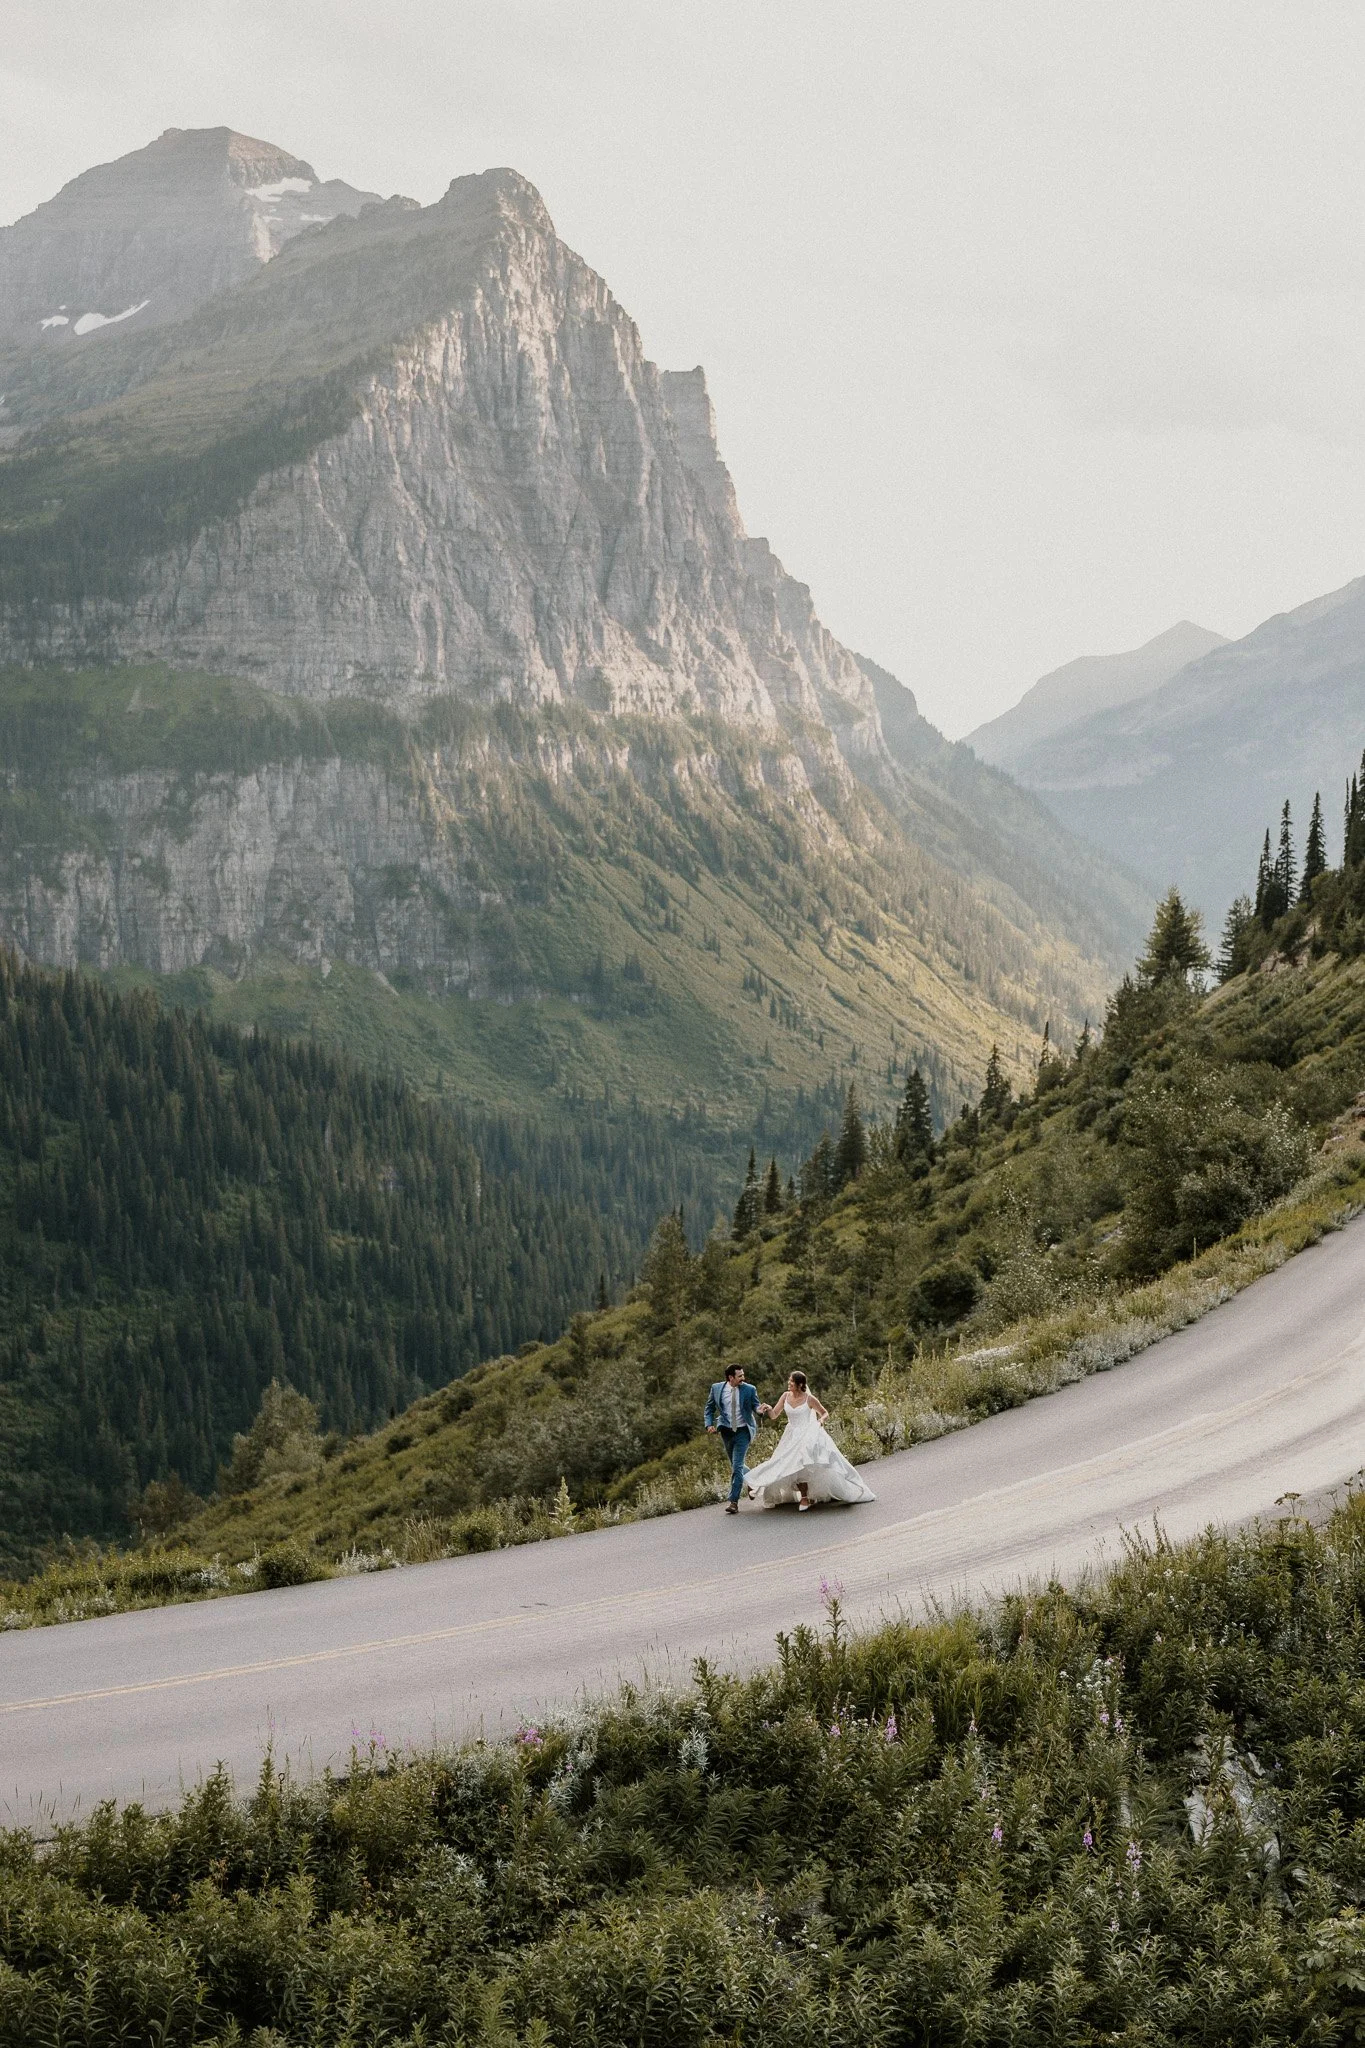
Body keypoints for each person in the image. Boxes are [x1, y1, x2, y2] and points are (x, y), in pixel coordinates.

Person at [744, 1371, 876, 1512]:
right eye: (789, 1381)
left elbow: (824, 1412)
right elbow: (774, 1415)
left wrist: (821, 1420)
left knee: (801, 1464)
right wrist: (769, 1409)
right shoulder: (785, 1396)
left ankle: (805, 1498)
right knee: (780, 1462)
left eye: (791, 1381)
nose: (789, 1383)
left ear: (800, 1384)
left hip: (807, 1434)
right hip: (791, 1436)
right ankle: (755, 1483)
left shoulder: (809, 1399)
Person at [704, 1364, 761, 1514]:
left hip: (743, 1431)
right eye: (740, 1376)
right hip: (726, 1432)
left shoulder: (750, 1389)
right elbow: (709, 1408)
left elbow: (756, 1405)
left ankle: (733, 1502)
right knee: (736, 1465)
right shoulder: (717, 1388)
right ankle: (752, 1481)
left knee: (736, 1467)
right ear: (731, 1377)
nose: (743, 1378)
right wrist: (709, 1424)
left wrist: (760, 1410)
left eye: (743, 1375)